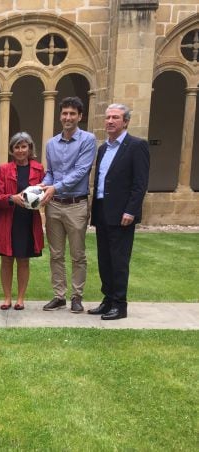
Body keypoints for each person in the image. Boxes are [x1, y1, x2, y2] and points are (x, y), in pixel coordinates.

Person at [88, 103, 149, 320]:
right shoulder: (103, 148)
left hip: (122, 214)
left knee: (119, 259)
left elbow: (140, 184)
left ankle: (120, 304)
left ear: (126, 122)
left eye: (115, 117)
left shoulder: (136, 146)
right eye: (108, 117)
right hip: (103, 210)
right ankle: (108, 299)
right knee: (105, 258)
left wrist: (131, 211)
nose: (110, 121)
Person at [39, 96, 96, 313]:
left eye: (73, 113)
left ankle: (77, 296)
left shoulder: (88, 140)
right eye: (65, 113)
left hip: (76, 205)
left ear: (80, 116)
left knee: (78, 254)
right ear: (60, 115)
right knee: (56, 254)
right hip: (54, 205)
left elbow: (82, 171)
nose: (68, 117)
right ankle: (59, 295)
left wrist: (54, 187)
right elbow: (51, 172)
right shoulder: (51, 143)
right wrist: (43, 186)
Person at [0, 132, 45, 310]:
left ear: (29, 148)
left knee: (24, 260)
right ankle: (7, 298)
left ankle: (20, 299)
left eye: (24, 146)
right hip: (7, 220)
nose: (20, 150)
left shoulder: (38, 169)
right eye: (17, 147)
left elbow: (44, 192)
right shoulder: (3, 170)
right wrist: (12, 198)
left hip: (28, 220)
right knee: (6, 260)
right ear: (12, 150)